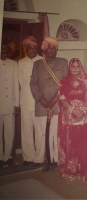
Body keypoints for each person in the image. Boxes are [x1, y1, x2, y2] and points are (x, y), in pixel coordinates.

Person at [30, 37, 68, 171]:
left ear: (56, 49)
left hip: (57, 104)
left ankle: (56, 160)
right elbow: (33, 83)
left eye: (54, 47)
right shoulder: (37, 64)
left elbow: (66, 83)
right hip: (42, 105)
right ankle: (45, 159)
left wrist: (55, 99)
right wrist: (40, 99)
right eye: (49, 47)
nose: (51, 50)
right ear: (44, 48)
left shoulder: (63, 62)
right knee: (43, 133)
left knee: (56, 133)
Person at [58, 58, 87, 180]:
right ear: (69, 67)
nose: (75, 69)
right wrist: (73, 110)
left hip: (84, 116)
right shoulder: (64, 82)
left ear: (81, 67)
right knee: (72, 143)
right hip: (70, 116)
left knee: (84, 144)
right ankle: (73, 170)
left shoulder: (86, 80)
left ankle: (85, 170)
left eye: (77, 66)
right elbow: (62, 99)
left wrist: (83, 110)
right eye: (73, 66)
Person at [17, 36, 43, 167]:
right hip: (25, 101)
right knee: (26, 129)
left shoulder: (42, 61)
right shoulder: (20, 63)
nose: (33, 50)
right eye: (30, 48)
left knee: (39, 130)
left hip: (38, 102)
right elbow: (20, 83)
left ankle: (39, 157)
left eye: (35, 48)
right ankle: (28, 157)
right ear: (25, 49)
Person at [0, 36, 19, 168]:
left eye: (6, 49)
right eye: (2, 49)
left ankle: (7, 156)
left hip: (10, 104)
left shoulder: (14, 64)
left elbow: (15, 85)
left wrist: (16, 103)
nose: (4, 52)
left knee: (9, 131)